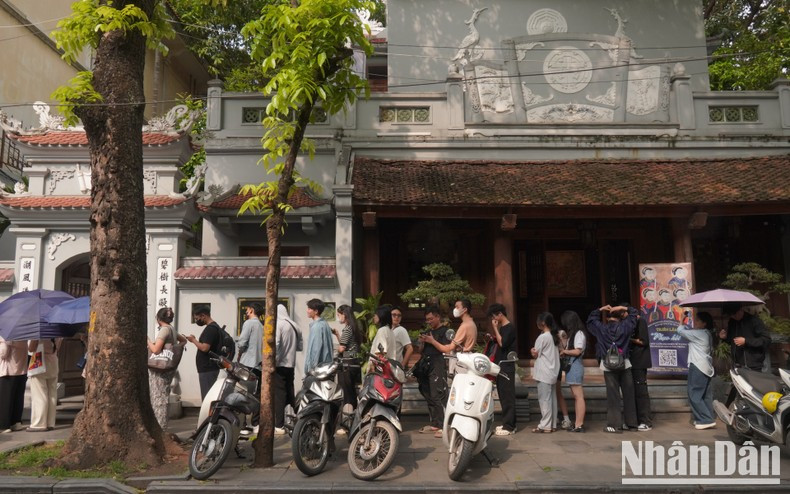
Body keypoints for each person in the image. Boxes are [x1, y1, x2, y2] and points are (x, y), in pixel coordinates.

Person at [587, 304, 638, 433]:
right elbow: (634, 314)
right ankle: (631, 424)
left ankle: (615, 425)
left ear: (608, 317)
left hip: (608, 366)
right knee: (629, 394)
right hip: (624, 363)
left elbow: (591, 320)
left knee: (613, 395)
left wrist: (600, 309)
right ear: (621, 317)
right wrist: (622, 307)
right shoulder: (626, 327)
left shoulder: (601, 329)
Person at [146, 307, 186, 429]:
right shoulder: (172, 329)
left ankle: (160, 427)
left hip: (160, 369)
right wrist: (173, 349)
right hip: (168, 367)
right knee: (163, 396)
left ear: (158, 319)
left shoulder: (164, 330)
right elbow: (183, 340)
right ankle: (162, 426)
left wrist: (148, 340)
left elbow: (156, 350)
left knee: (158, 398)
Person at [677, 311, 716, 430]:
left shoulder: (699, 333)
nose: (695, 322)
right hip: (706, 366)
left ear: (704, 323)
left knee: (694, 394)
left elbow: (680, 331)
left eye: (698, 320)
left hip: (698, 366)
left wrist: (681, 319)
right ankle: (707, 418)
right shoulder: (707, 333)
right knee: (705, 395)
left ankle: (705, 419)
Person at [417, 306, 450, 438]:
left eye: (431, 319)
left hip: (437, 364)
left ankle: (444, 425)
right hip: (426, 364)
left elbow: (446, 349)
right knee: (427, 393)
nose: (429, 322)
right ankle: (435, 423)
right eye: (427, 320)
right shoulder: (428, 331)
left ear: (437, 317)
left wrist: (432, 341)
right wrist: (421, 343)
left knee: (438, 394)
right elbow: (420, 351)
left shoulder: (445, 332)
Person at [486, 303, 517, 436]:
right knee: (503, 395)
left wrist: (495, 328)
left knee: (507, 396)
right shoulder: (504, 327)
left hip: (506, 366)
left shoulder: (508, 327)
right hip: (501, 365)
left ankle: (510, 426)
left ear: (500, 314)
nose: (494, 319)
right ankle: (506, 423)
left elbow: (503, 343)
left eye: (494, 316)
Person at [185, 305, 224, 400]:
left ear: (203, 315)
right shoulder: (214, 327)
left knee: (207, 397)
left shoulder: (210, 329)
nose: (196, 321)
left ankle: (208, 414)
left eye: (197, 318)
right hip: (209, 367)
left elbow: (205, 348)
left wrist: (193, 340)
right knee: (208, 395)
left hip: (208, 368)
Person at [719, 302, 771, 372]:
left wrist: (746, 341)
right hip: (737, 363)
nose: (733, 317)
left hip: (753, 364)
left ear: (741, 310)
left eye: (734, 314)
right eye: (731, 315)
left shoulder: (754, 321)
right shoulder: (732, 322)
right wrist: (725, 338)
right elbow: (732, 341)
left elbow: (766, 340)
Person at [558, 310, 587, 433]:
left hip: (575, 365)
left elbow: (577, 351)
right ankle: (577, 423)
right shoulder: (574, 334)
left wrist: (565, 352)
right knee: (576, 396)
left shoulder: (579, 334)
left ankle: (579, 424)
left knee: (578, 396)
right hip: (573, 366)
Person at [531, 312, 559, 433]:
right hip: (552, 371)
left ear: (542, 323)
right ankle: (552, 424)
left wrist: (532, 351)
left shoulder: (543, 337)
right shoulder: (554, 336)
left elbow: (536, 353)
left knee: (544, 399)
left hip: (544, 372)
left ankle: (545, 425)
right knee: (552, 399)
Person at [26, 338, 60, 431]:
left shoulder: (38, 331)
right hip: (53, 360)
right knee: (52, 394)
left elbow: (31, 348)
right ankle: (50, 422)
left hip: (39, 359)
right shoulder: (58, 331)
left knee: (39, 394)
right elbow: (58, 347)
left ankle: (39, 423)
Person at [275, 304, 298, 435]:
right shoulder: (294, 325)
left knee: (279, 395)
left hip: (280, 365)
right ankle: (293, 417)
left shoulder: (279, 324)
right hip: (291, 364)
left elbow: (276, 343)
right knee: (290, 392)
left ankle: (279, 424)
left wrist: (274, 361)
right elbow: (300, 346)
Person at [335, 304, 363, 409]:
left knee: (347, 394)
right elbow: (347, 345)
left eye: (339, 315)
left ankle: (348, 415)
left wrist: (334, 349)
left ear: (344, 315)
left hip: (347, 364)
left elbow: (342, 348)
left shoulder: (347, 329)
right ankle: (353, 412)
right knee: (351, 392)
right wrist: (338, 335)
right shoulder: (354, 327)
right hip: (354, 363)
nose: (338, 318)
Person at [630, 313, 653, 432]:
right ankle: (637, 420)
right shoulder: (632, 323)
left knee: (641, 392)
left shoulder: (641, 321)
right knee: (634, 392)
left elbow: (644, 341)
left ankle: (645, 421)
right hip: (633, 362)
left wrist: (630, 339)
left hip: (640, 362)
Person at [0, 337, 28, 433]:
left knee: (5, 400)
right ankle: (16, 422)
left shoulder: (6, 337)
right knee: (18, 398)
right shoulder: (23, 337)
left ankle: (4, 425)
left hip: (8, 371)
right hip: (22, 370)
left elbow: (3, 353)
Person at [304, 298, 333, 375]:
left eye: (309, 309)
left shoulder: (317, 326)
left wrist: (311, 369)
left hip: (318, 370)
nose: (307, 310)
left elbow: (315, 350)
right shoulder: (325, 324)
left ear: (316, 311)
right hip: (325, 367)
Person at [237, 302, 263, 368]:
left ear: (251, 310)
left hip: (247, 362)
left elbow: (242, 343)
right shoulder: (262, 326)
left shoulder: (249, 323)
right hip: (258, 364)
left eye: (247, 309)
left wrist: (239, 352)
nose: (246, 311)